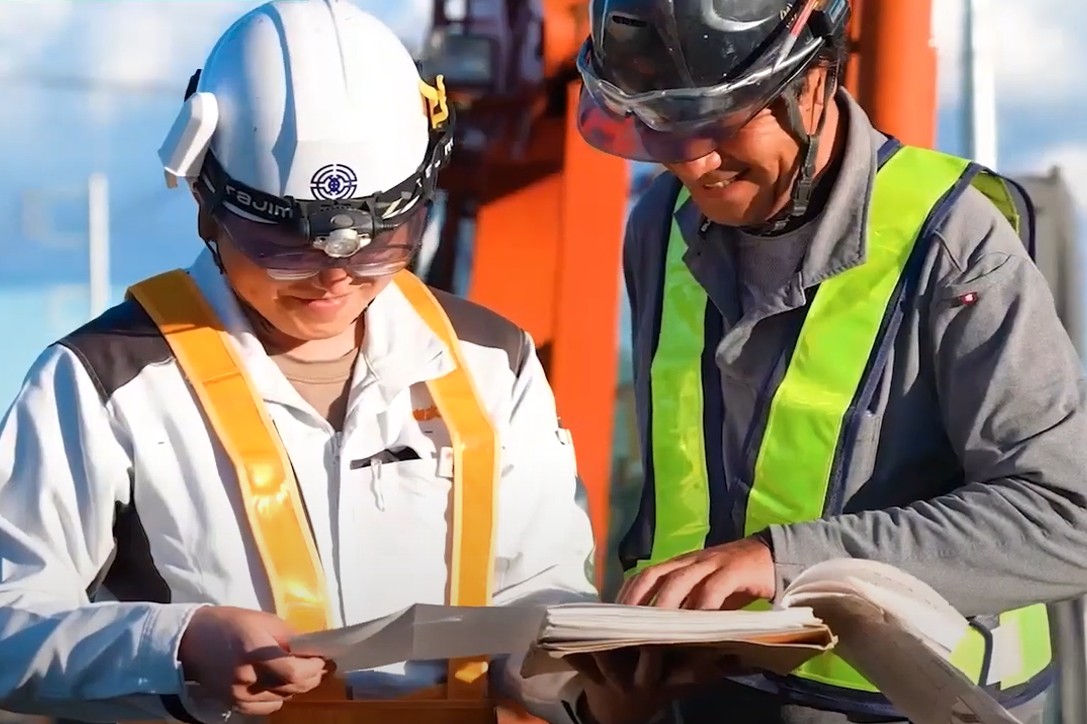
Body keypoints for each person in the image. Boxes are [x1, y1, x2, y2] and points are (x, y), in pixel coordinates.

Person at [0, 2, 597, 723]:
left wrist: (590, 687)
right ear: (205, 200)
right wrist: (179, 648)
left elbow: (543, 595)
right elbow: (11, 628)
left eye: (378, 241)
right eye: (285, 246)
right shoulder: (102, 383)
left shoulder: (491, 360)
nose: (334, 276)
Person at [568, 0, 1087, 722]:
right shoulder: (661, 223)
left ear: (810, 82)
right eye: (658, 123)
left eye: (719, 119)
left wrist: (784, 562)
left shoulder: (955, 244)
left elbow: (1065, 517)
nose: (691, 160)